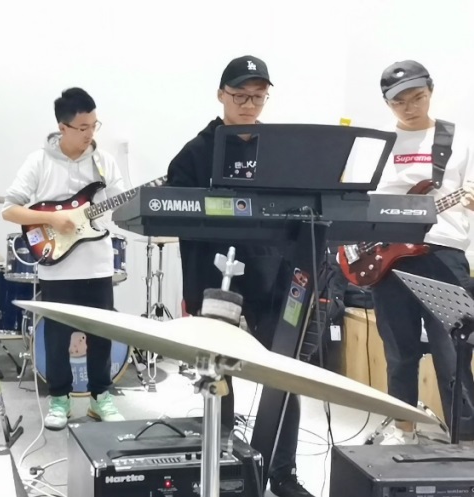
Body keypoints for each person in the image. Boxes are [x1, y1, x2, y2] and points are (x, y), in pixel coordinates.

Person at [166, 56, 313, 497]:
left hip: (271, 277)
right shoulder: (194, 153)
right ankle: (224, 468)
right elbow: (179, 217)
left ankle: (282, 474)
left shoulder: (280, 151)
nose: (249, 105)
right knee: (218, 376)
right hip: (214, 280)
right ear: (221, 95)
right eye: (240, 96)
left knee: (283, 376)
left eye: (258, 96)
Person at [2, 87, 125, 430]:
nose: (90, 134)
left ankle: (101, 398)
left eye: (94, 126)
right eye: (83, 127)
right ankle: (59, 399)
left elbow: (121, 205)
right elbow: (9, 210)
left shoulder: (104, 162)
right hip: (57, 265)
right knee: (56, 336)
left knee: (102, 333)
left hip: (97, 263)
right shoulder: (39, 161)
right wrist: (54, 219)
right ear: (63, 127)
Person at [368, 60, 474, 445]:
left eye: (418, 97)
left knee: (454, 353)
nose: (410, 107)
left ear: (431, 91)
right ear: (387, 103)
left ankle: (466, 439)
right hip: (387, 259)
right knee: (400, 353)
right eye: (399, 102)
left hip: (443, 255)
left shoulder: (458, 139)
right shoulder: (377, 144)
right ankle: (403, 430)